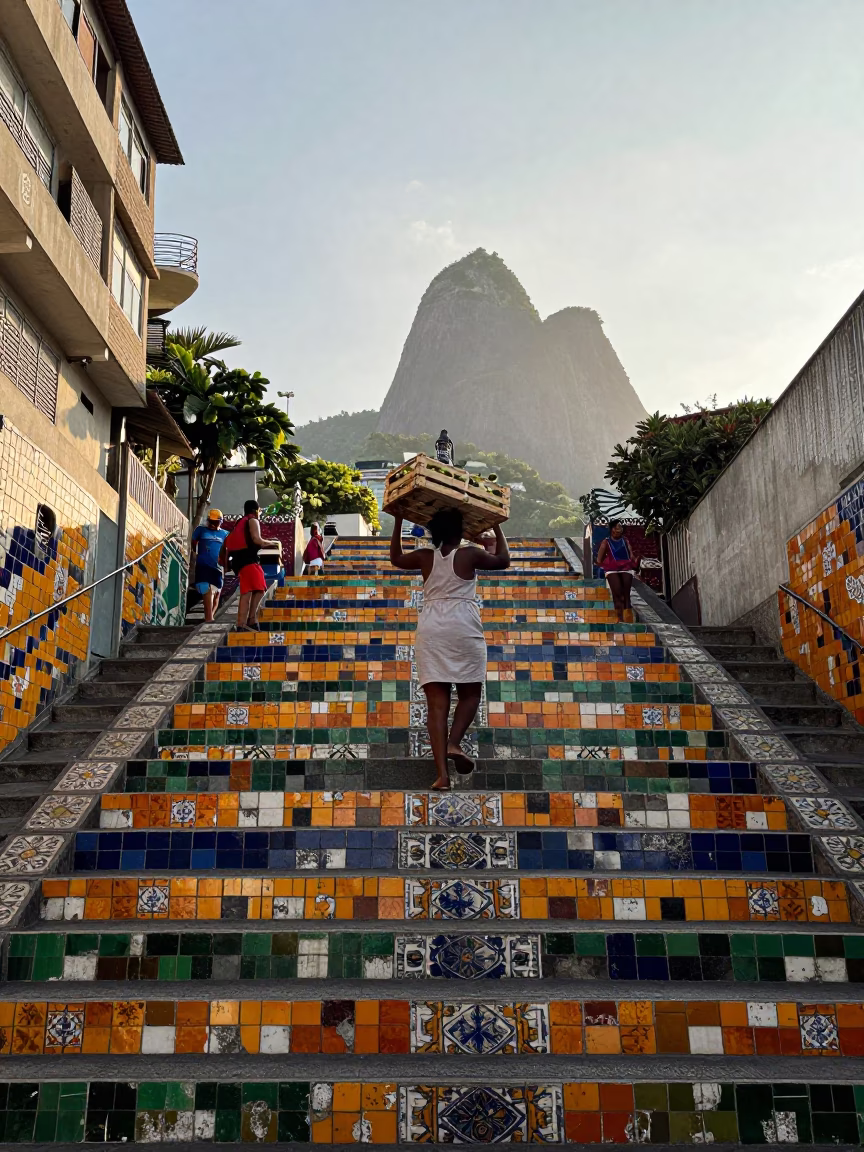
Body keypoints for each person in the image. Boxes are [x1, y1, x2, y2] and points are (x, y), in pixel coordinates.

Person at [390, 508, 510, 790]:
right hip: (463, 626)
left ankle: (442, 776)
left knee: (436, 707)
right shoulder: (469, 554)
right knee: (470, 695)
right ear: (462, 530)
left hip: (431, 627)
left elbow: (396, 558)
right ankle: (454, 743)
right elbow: (503, 559)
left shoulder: (424, 556)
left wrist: (398, 521)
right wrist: (496, 527)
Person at [219, 500, 280, 630]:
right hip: (247, 559)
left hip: (239, 560)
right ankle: (245, 622)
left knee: (256, 588)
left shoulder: (240, 522)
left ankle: (248, 621)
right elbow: (257, 539)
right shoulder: (252, 520)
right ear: (255, 510)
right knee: (253, 589)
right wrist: (273, 543)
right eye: (259, 510)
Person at [596, 519, 640, 621]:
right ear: (611, 529)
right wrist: (606, 563)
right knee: (617, 594)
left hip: (626, 568)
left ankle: (628, 619)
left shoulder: (625, 541)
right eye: (616, 527)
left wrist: (636, 561)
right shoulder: (606, 542)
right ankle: (619, 619)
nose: (619, 530)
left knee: (626, 595)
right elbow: (599, 559)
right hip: (612, 569)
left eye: (620, 527)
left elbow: (631, 555)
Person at [189, 509, 229, 622]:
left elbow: (227, 551)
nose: (211, 524)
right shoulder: (201, 530)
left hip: (218, 567)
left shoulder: (225, 534)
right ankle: (209, 618)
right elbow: (193, 543)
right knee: (208, 590)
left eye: (215, 522)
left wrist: (226, 566)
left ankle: (210, 617)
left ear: (220, 522)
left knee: (217, 593)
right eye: (210, 521)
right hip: (203, 565)